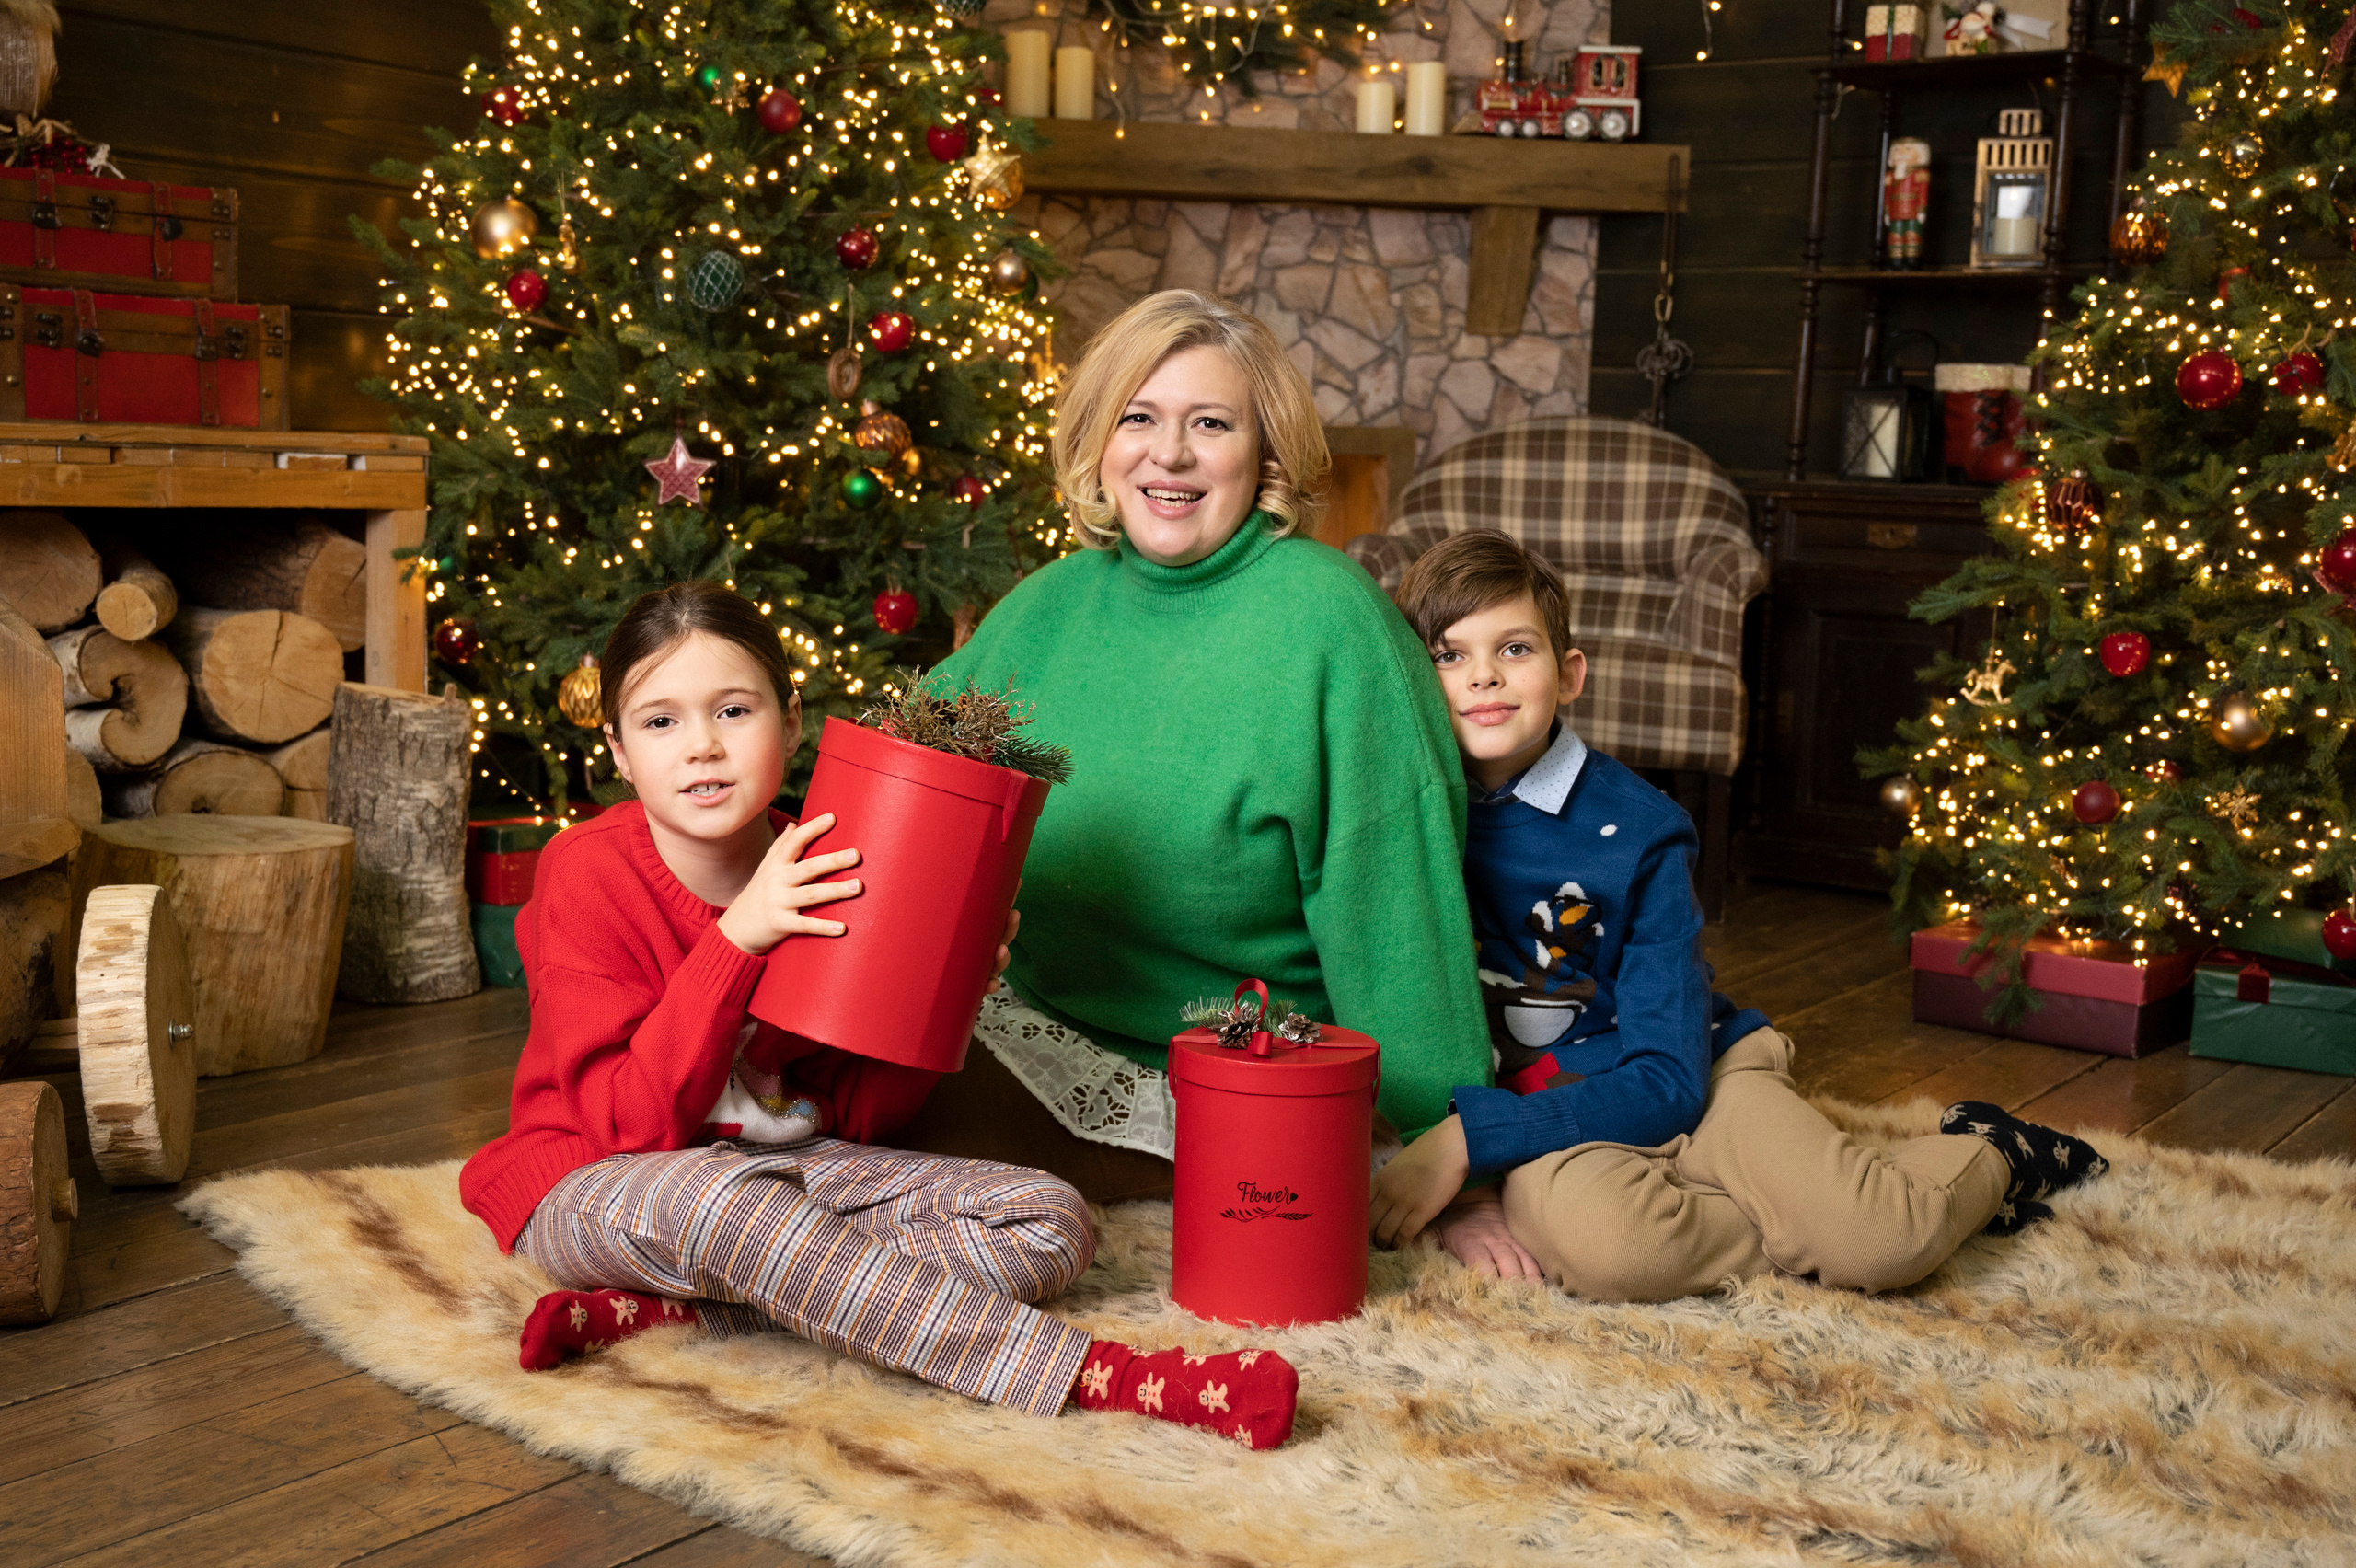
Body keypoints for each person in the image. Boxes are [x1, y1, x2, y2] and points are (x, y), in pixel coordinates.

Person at [458, 582, 1300, 1448]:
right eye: (661, 722)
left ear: (789, 725)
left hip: (795, 1172)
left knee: (1050, 1221)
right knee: (725, 1206)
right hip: (603, 1179)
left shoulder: (833, 858)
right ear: (621, 752)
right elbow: (628, 1125)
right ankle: (1109, 1376)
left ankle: (689, 1313)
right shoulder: (585, 873)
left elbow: (864, 1118)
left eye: (734, 710)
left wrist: (947, 996)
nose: (702, 747)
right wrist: (737, 941)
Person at [1368, 531, 2108, 1297]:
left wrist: (1470, 1138)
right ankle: (1795, 1210)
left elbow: (1668, 1079)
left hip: (1691, 1069)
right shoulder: (1397, 821)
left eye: (1515, 649)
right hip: (1553, 1112)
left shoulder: (1640, 829)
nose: (1483, 676)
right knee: (1616, 1254)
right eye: (1449, 656)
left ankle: (1991, 1151)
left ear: (1570, 674)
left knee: (1882, 1243)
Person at [903, 290, 1488, 1196]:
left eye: (1209, 423)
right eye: (1139, 418)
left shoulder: (1332, 623)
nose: (1168, 453)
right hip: (1030, 1033)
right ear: (1102, 442)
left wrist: (1444, 1139)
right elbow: (901, 784)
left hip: (1230, 1074)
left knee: (873, 1146)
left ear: (1265, 457)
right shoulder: (1049, 604)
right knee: (808, 1084)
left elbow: (1397, 908)